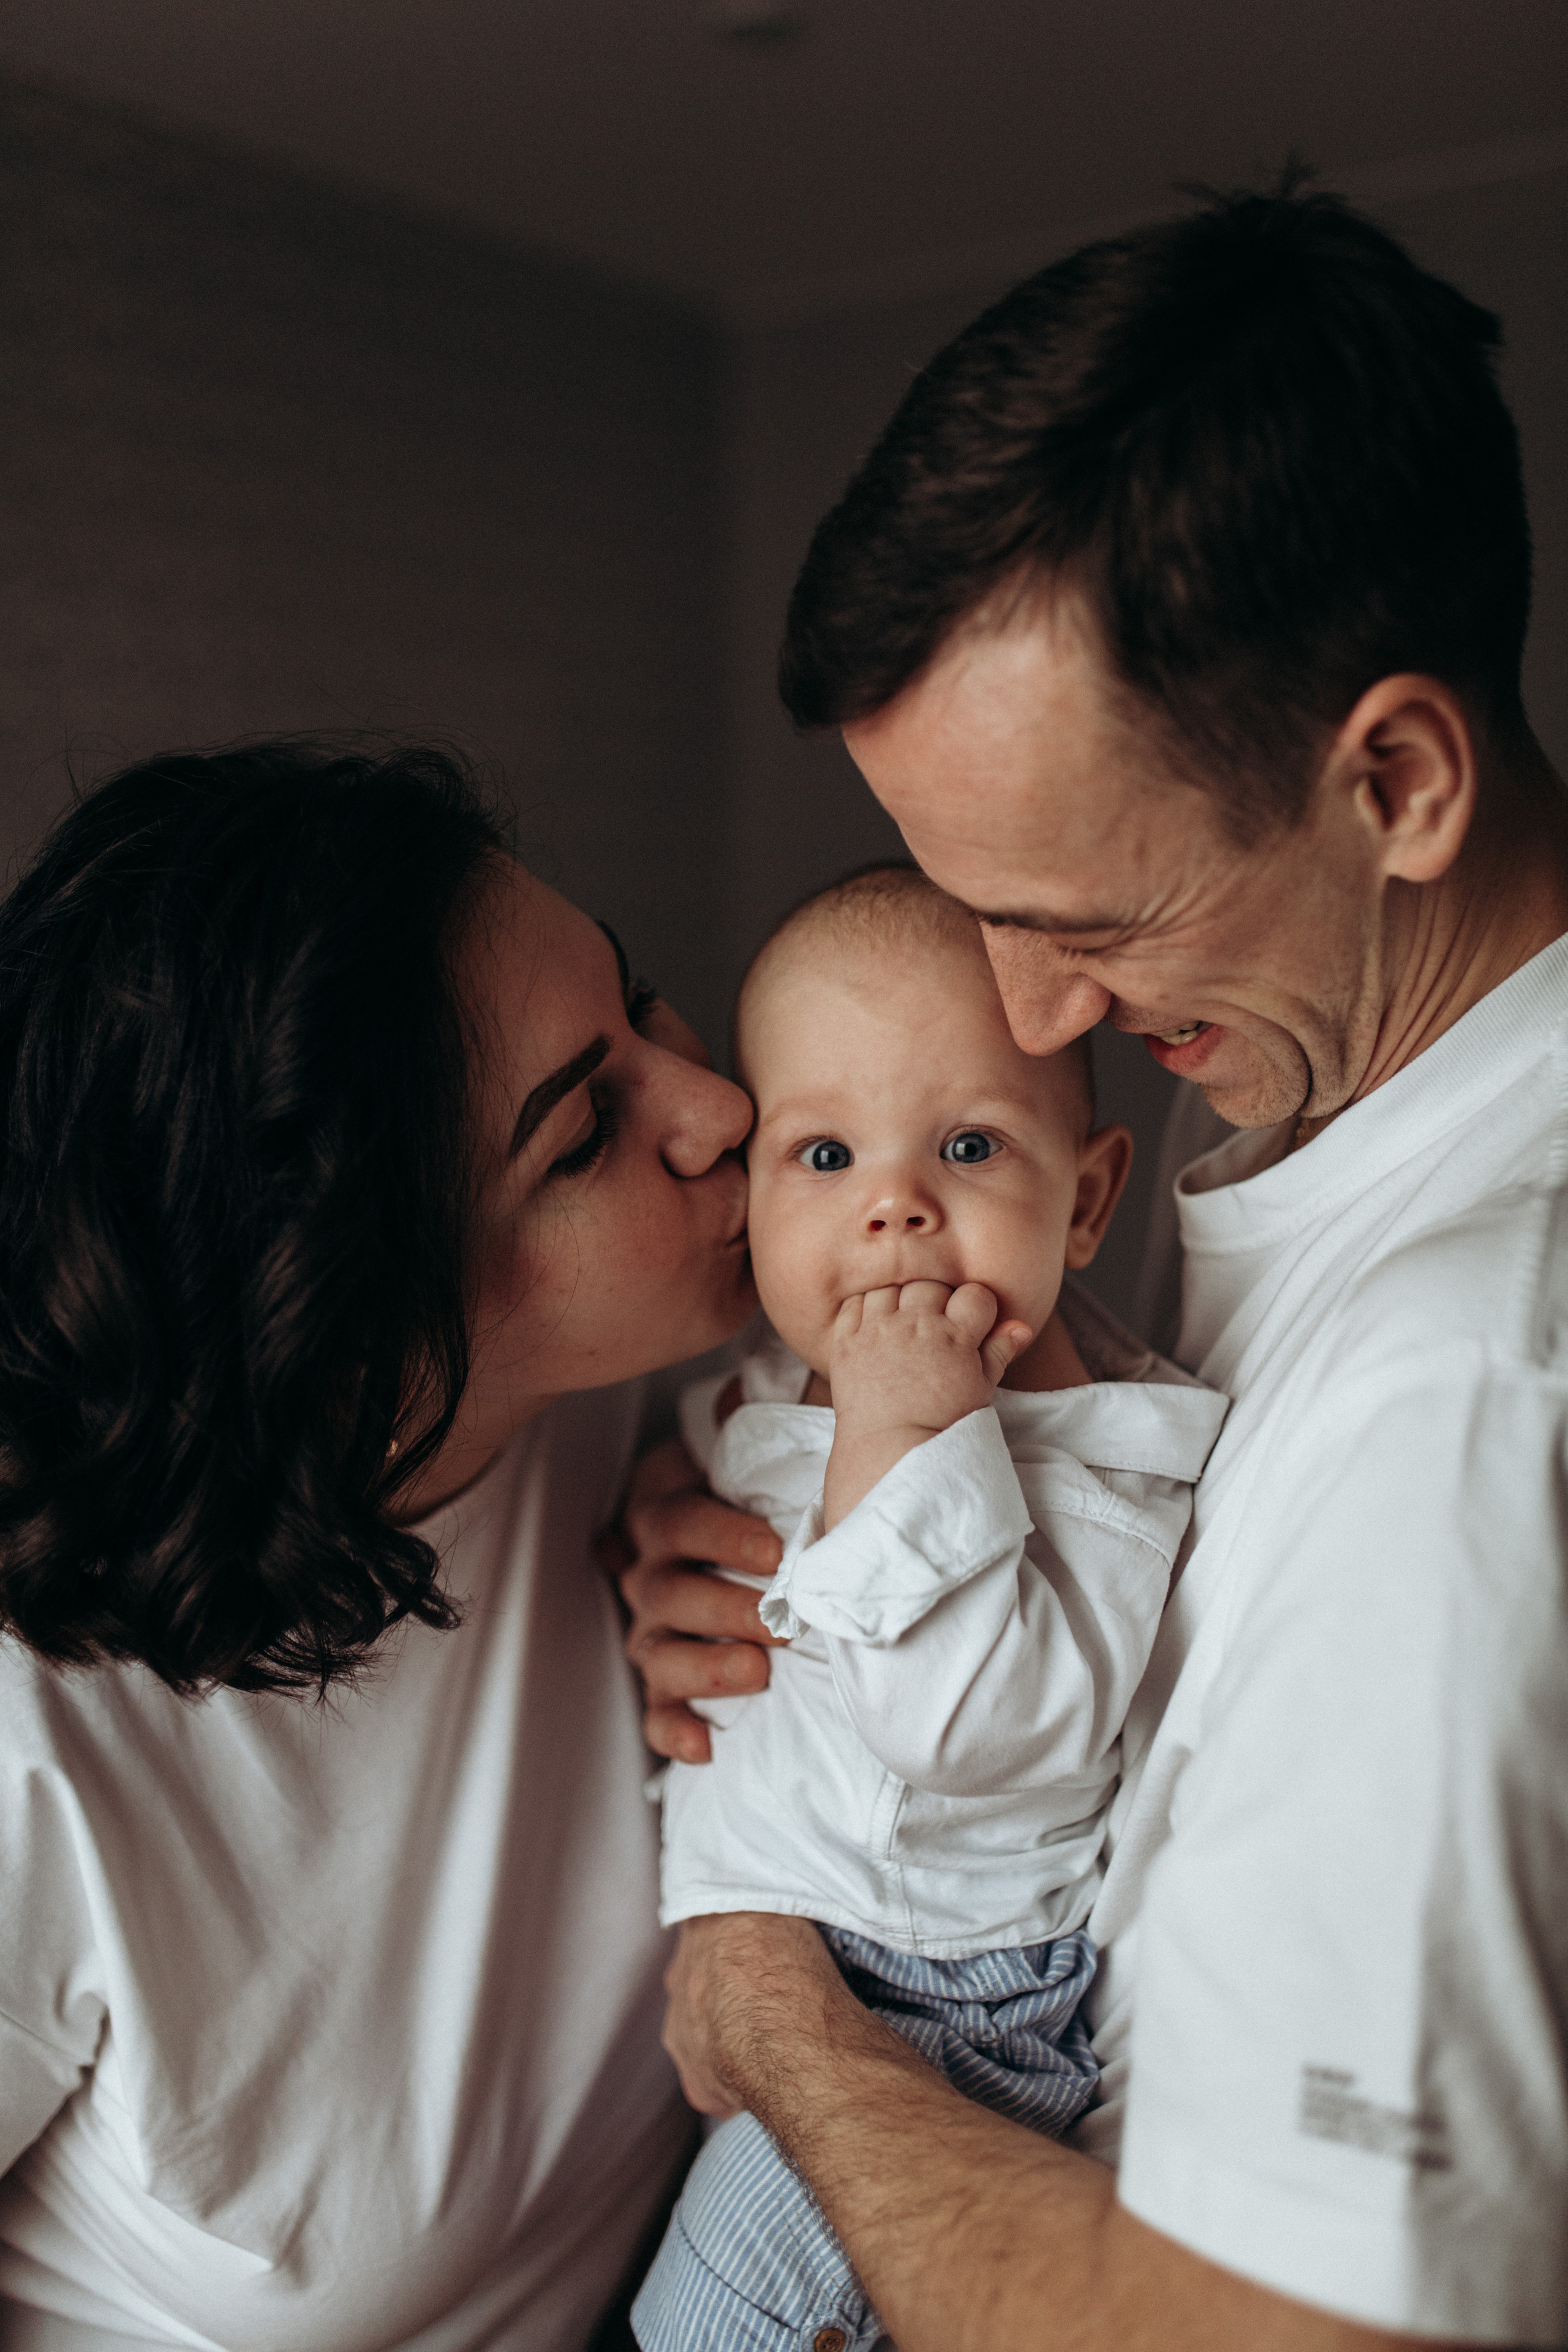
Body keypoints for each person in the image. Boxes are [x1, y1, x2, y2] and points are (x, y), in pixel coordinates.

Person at [619, 184, 1568, 2348]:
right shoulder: (1291, 1155)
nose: (1028, 1018)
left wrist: (768, 2005)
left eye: (1088, 920)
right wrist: (797, 1581)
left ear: (1396, 779)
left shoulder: (1465, 1385)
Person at [0, 740, 764, 2352]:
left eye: (639, 999)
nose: (720, 1106)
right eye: (583, 1136)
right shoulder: (40, 1733)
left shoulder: (647, 1411)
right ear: (342, 1333)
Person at [630, 864, 1227, 2352]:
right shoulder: (784, 1386)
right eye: (821, 1154)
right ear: (752, 1204)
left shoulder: (1091, 1466)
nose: (893, 1205)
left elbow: (962, 1732)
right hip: (820, 1965)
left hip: (933, 2020)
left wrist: (912, 1436)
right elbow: (738, 1508)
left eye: (965, 1145)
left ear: (1083, 1202)